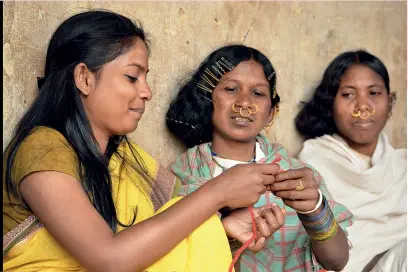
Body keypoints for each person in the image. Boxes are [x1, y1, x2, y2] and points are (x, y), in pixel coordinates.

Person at [3, 10, 281, 272]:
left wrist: (222, 232)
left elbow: (150, 246)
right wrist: (217, 193)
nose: (147, 92)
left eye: (145, 78)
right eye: (132, 77)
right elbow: (109, 259)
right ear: (84, 78)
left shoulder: (127, 159)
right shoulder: (43, 148)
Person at [166, 44, 354, 272]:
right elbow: (172, 257)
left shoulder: (297, 176)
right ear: (208, 99)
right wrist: (230, 235)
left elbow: (337, 261)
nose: (245, 103)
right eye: (231, 89)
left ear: (271, 113)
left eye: (258, 93)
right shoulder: (185, 174)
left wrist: (315, 209)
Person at [296, 50, 407, 272]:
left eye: (374, 93)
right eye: (348, 95)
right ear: (330, 105)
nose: (362, 107)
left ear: (391, 101)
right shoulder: (314, 163)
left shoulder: (403, 164)